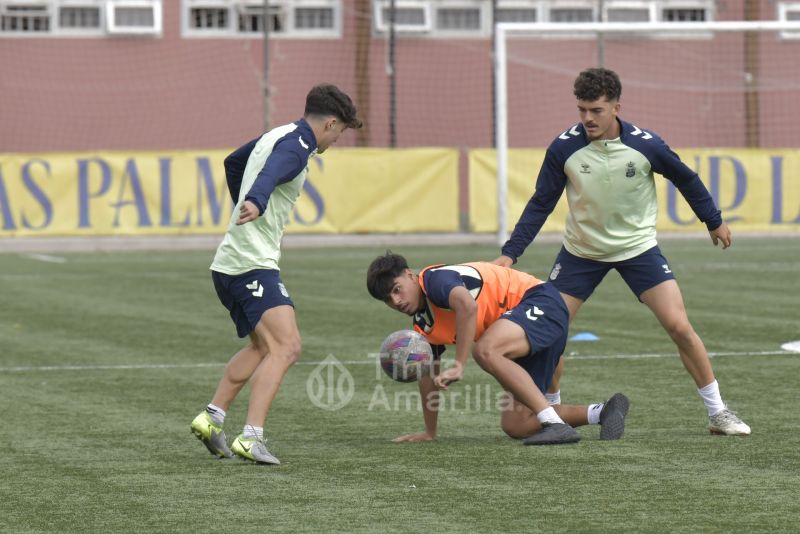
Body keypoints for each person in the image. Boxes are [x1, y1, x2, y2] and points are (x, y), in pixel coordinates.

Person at [492, 67, 750, 436]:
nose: (587, 118)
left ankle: (718, 413)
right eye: (581, 109)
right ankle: (550, 415)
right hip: (580, 254)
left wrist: (713, 220)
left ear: (616, 107)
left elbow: (685, 178)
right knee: (550, 332)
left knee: (679, 327)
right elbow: (541, 202)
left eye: (595, 110)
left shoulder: (646, 145)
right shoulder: (564, 147)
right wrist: (510, 253)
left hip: (638, 250)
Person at [190, 84, 362, 464]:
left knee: (263, 347)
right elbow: (274, 170)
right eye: (340, 133)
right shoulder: (298, 146)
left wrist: (243, 205)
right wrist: (255, 200)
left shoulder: (277, 133)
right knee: (288, 347)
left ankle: (212, 416)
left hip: (231, 262)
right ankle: (252, 438)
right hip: (250, 262)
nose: (336, 141)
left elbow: (234, 163)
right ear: (331, 123)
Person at [366, 252, 630, 445]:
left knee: (485, 351)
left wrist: (459, 364)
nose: (397, 301)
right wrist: (430, 431)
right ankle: (601, 412)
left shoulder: (434, 279)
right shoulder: (423, 328)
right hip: (526, 334)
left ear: (411, 276)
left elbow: (466, 306)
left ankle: (554, 421)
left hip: (540, 301)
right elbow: (427, 379)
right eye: (388, 299)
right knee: (517, 425)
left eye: (397, 290)